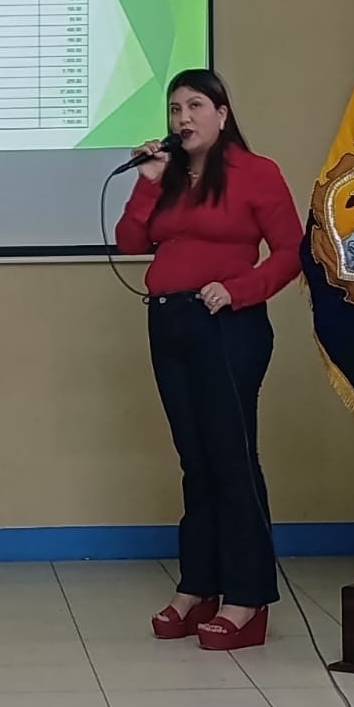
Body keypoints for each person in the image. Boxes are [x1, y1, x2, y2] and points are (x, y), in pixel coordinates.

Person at [115, 69, 304, 651]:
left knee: (230, 458)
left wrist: (240, 290)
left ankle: (247, 598)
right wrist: (148, 182)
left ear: (222, 114)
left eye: (196, 106)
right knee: (194, 461)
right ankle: (198, 586)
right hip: (168, 323)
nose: (183, 119)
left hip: (226, 325)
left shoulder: (256, 172)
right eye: (175, 109)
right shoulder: (168, 175)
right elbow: (130, 242)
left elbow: (293, 251)